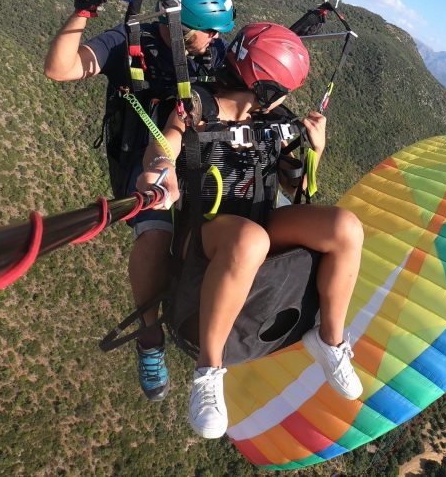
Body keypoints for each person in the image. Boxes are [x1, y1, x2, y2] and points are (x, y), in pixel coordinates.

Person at [136, 22, 364, 439]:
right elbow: (164, 143)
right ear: (266, 88)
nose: (285, 100)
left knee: (345, 227)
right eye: (283, 92)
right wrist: (159, 173)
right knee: (250, 239)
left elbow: (295, 186)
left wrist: (316, 150)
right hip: (207, 230)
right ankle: (208, 370)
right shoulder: (197, 107)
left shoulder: (274, 120)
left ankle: (329, 340)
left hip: (259, 218)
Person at [44, 0, 236, 402]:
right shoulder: (129, 43)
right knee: (154, 234)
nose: (214, 38)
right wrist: (84, 8)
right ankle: (150, 336)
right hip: (143, 162)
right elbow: (61, 69)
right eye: (208, 31)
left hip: (199, 155)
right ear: (185, 29)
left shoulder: (216, 53)